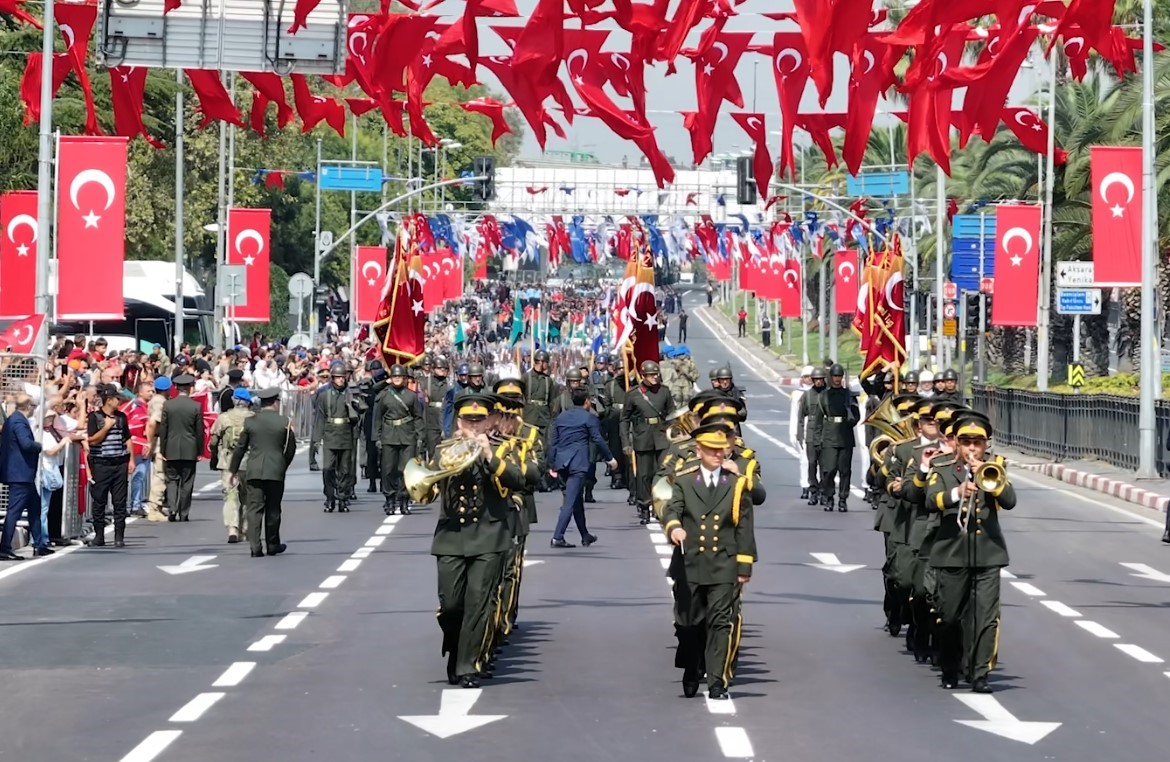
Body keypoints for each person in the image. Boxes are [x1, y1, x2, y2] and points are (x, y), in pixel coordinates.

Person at [418, 393, 528, 689]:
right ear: (459, 421)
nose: (475, 426)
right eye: (469, 420)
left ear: (490, 420)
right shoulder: (445, 449)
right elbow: (426, 490)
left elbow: (522, 479)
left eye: (480, 421)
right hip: (451, 536)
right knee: (451, 604)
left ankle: (469, 665)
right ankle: (455, 648)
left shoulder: (502, 448)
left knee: (478, 602)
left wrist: (489, 457)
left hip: (489, 536)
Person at [662, 423, 757, 700]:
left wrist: (744, 566)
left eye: (722, 450)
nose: (718, 455)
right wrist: (674, 527)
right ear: (699, 450)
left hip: (723, 564)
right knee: (689, 624)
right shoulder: (685, 480)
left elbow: (744, 528)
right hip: (690, 563)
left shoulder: (737, 484)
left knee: (720, 623)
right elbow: (672, 509)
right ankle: (691, 668)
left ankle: (717, 681)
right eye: (712, 450)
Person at [924, 412, 1014, 693]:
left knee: (985, 617)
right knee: (950, 616)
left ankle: (979, 674)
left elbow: (1009, 501)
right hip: (952, 551)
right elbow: (930, 500)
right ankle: (950, 667)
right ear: (957, 444)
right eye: (966, 442)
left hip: (988, 553)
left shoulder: (995, 466)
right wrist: (958, 491)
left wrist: (988, 477)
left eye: (978, 442)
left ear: (986, 444)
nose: (972, 448)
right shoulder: (942, 466)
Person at [230, 388, 298, 558]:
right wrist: (282, 465)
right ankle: (272, 544)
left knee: (254, 509)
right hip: (275, 470)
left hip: (254, 470)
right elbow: (290, 449)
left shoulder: (250, 422)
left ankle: (255, 546)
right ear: (275, 402)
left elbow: (240, 448)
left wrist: (233, 470)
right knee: (273, 509)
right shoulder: (284, 422)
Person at [547, 387, 618, 548]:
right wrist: (610, 459)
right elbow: (598, 440)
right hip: (577, 464)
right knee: (570, 502)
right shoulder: (589, 418)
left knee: (576, 500)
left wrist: (551, 464)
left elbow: (553, 442)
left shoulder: (562, 417)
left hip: (561, 462)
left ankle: (585, 535)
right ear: (586, 402)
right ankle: (558, 537)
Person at [621, 360, 675, 526]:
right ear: (643, 376)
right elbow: (624, 419)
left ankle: (660, 507)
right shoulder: (633, 394)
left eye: (655, 375)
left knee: (663, 474)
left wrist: (673, 433)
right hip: (642, 437)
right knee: (644, 475)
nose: (654, 378)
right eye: (650, 376)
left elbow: (671, 414)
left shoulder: (664, 392)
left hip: (661, 437)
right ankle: (644, 506)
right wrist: (625, 442)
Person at [86, 384, 134, 547]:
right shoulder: (94, 417)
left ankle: (119, 536)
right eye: (116, 398)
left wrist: (131, 459)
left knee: (120, 502)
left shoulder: (121, 417)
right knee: (99, 501)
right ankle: (99, 535)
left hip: (119, 463)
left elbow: (127, 438)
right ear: (108, 400)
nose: (119, 401)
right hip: (101, 463)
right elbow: (92, 440)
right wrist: (106, 427)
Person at [375, 364, 424, 516]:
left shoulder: (411, 396)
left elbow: (418, 417)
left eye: (399, 376)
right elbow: (377, 418)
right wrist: (376, 437)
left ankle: (404, 500)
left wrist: (420, 437)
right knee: (388, 470)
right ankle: (389, 499)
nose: (397, 379)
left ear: (404, 378)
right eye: (394, 376)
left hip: (407, 436)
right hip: (389, 436)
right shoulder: (384, 395)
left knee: (405, 470)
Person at [209, 387, 255, 544]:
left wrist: (213, 455)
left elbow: (214, 441)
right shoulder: (253, 418)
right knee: (248, 498)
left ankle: (232, 528)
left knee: (230, 496)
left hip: (228, 461)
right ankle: (246, 528)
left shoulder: (224, 418)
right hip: (248, 462)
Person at [0, 394, 43, 560]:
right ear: (28, 406)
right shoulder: (18, 421)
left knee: (34, 507)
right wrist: (37, 446)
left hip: (22, 474)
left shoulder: (14, 420)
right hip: (20, 474)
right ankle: (4, 547)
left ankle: (39, 544)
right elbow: (25, 444)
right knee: (14, 511)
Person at [159, 373, 206, 522]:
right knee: (187, 482)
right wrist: (199, 450)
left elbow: (164, 429)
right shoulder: (196, 406)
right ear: (190, 388)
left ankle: (172, 508)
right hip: (190, 448)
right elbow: (199, 431)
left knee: (171, 480)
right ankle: (184, 512)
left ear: (176, 388)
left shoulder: (168, 405)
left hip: (171, 447)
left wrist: (163, 449)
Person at [316, 361, 359, 513]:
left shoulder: (351, 393)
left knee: (344, 469)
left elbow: (357, 416)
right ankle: (329, 497)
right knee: (328, 468)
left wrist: (356, 405)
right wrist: (316, 440)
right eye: (338, 377)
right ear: (332, 378)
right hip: (330, 434)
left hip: (346, 434)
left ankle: (342, 498)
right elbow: (319, 418)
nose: (341, 379)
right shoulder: (324, 396)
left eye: (343, 377)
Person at [818, 364, 859, 511]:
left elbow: (856, 415)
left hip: (845, 435)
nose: (837, 379)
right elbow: (818, 418)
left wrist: (851, 418)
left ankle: (843, 499)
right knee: (829, 469)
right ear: (831, 377)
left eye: (839, 376)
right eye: (835, 376)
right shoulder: (824, 396)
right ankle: (829, 497)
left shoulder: (849, 395)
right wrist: (818, 439)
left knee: (845, 470)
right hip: (829, 435)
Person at [789, 366, 814, 499]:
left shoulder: (820, 392)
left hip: (816, 429)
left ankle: (815, 486)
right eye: (805, 376)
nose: (808, 379)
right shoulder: (797, 394)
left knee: (815, 461)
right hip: (802, 430)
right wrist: (793, 432)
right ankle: (805, 485)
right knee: (804, 460)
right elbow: (794, 415)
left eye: (810, 376)